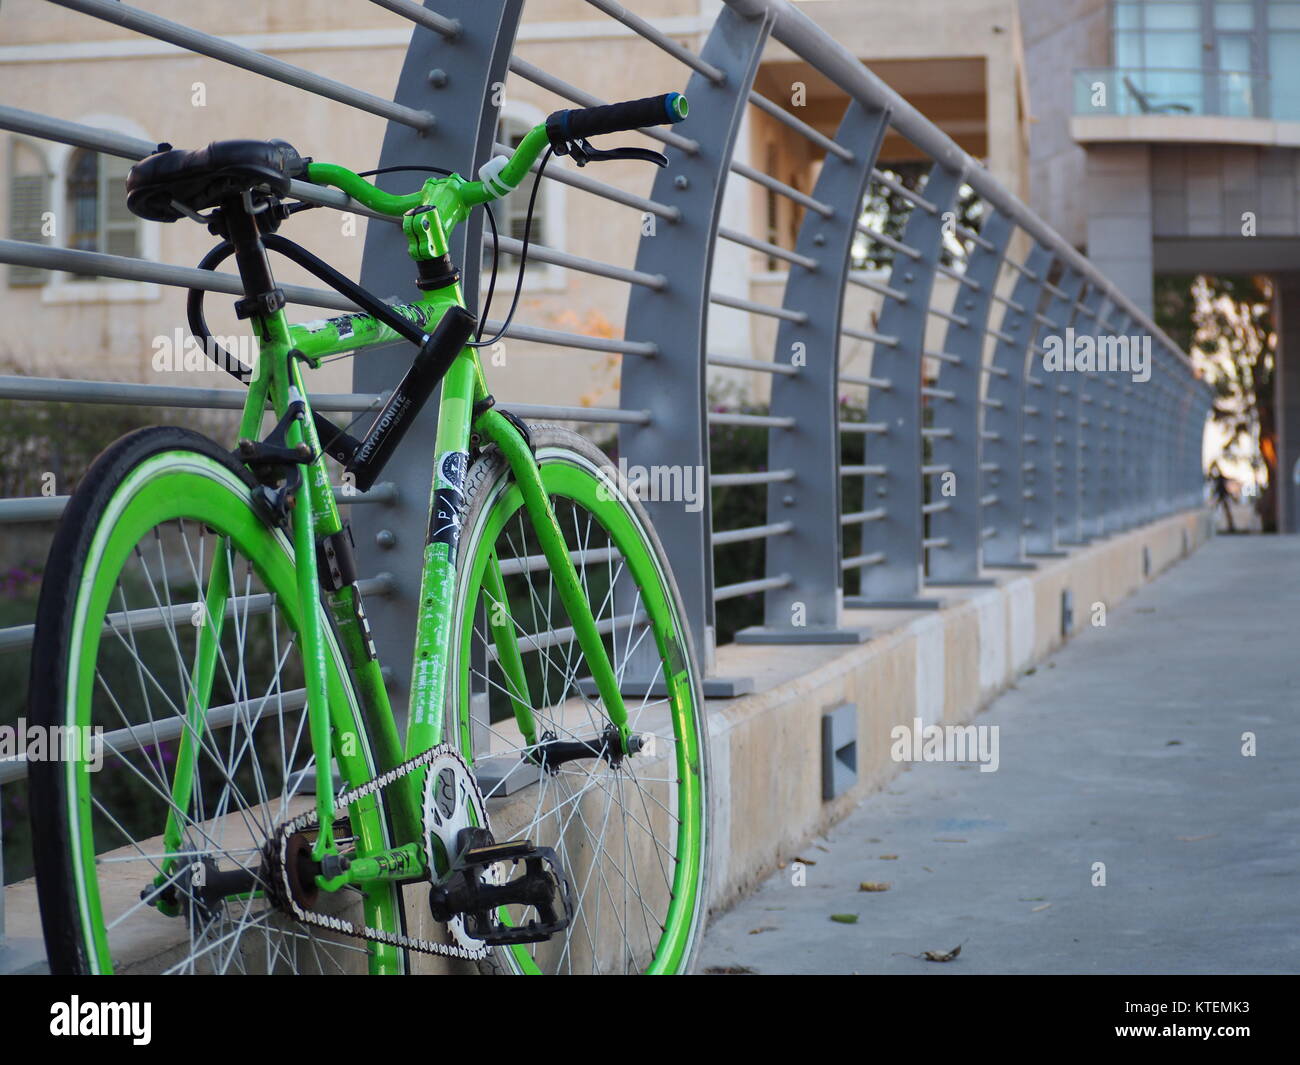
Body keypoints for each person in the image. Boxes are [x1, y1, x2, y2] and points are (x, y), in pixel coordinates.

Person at [1209, 462, 1236, 533]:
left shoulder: (1220, 478)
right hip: (1221, 496)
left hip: (1223, 496)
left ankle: (1231, 526)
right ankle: (1229, 525)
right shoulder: (1218, 478)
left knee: (1226, 510)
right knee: (1219, 509)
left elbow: (1221, 488)